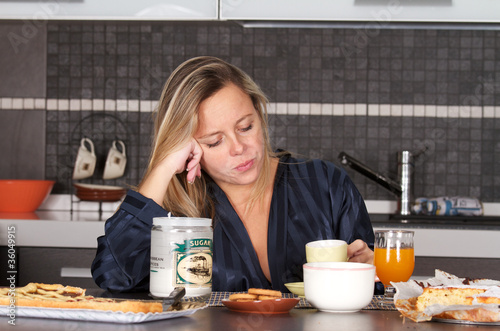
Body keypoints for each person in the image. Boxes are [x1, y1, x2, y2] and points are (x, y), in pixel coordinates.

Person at [91, 56, 375, 293]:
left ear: (259, 115)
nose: (239, 148)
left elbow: (376, 294)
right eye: (214, 141)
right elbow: (113, 276)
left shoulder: (327, 185)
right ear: (186, 147)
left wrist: (370, 271)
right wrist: (164, 166)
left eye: (246, 127)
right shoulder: (174, 216)